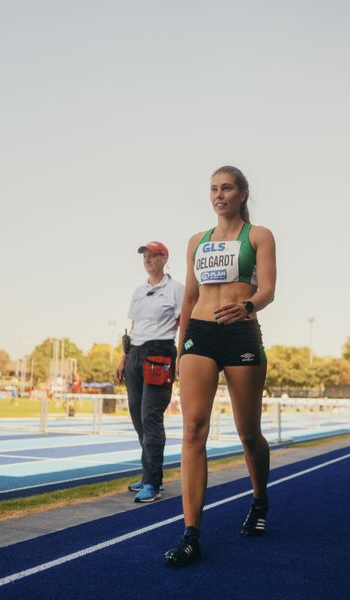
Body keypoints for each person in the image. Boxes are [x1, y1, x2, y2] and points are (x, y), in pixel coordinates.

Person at [164, 166, 276, 567]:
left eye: (226, 188)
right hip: (200, 335)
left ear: (242, 193)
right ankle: (191, 533)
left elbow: (267, 290)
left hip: (242, 334)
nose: (218, 195)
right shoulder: (197, 240)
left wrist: (247, 305)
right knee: (193, 428)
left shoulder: (259, 236)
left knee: (249, 434)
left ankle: (260, 500)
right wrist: (181, 350)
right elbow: (189, 299)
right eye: (213, 189)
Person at [117, 241, 184, 502]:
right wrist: (124, 357)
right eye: (145, 255)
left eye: (153, 255)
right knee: (137, 415)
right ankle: (149, 473)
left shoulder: (176, 289)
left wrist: (180, 359)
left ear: (165, 258)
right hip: (135, 352)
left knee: (150, 416)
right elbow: (134, 325)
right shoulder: (138, 291)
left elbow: (184, 323)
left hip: (159, 352)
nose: (147, 259)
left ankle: (153, 484)